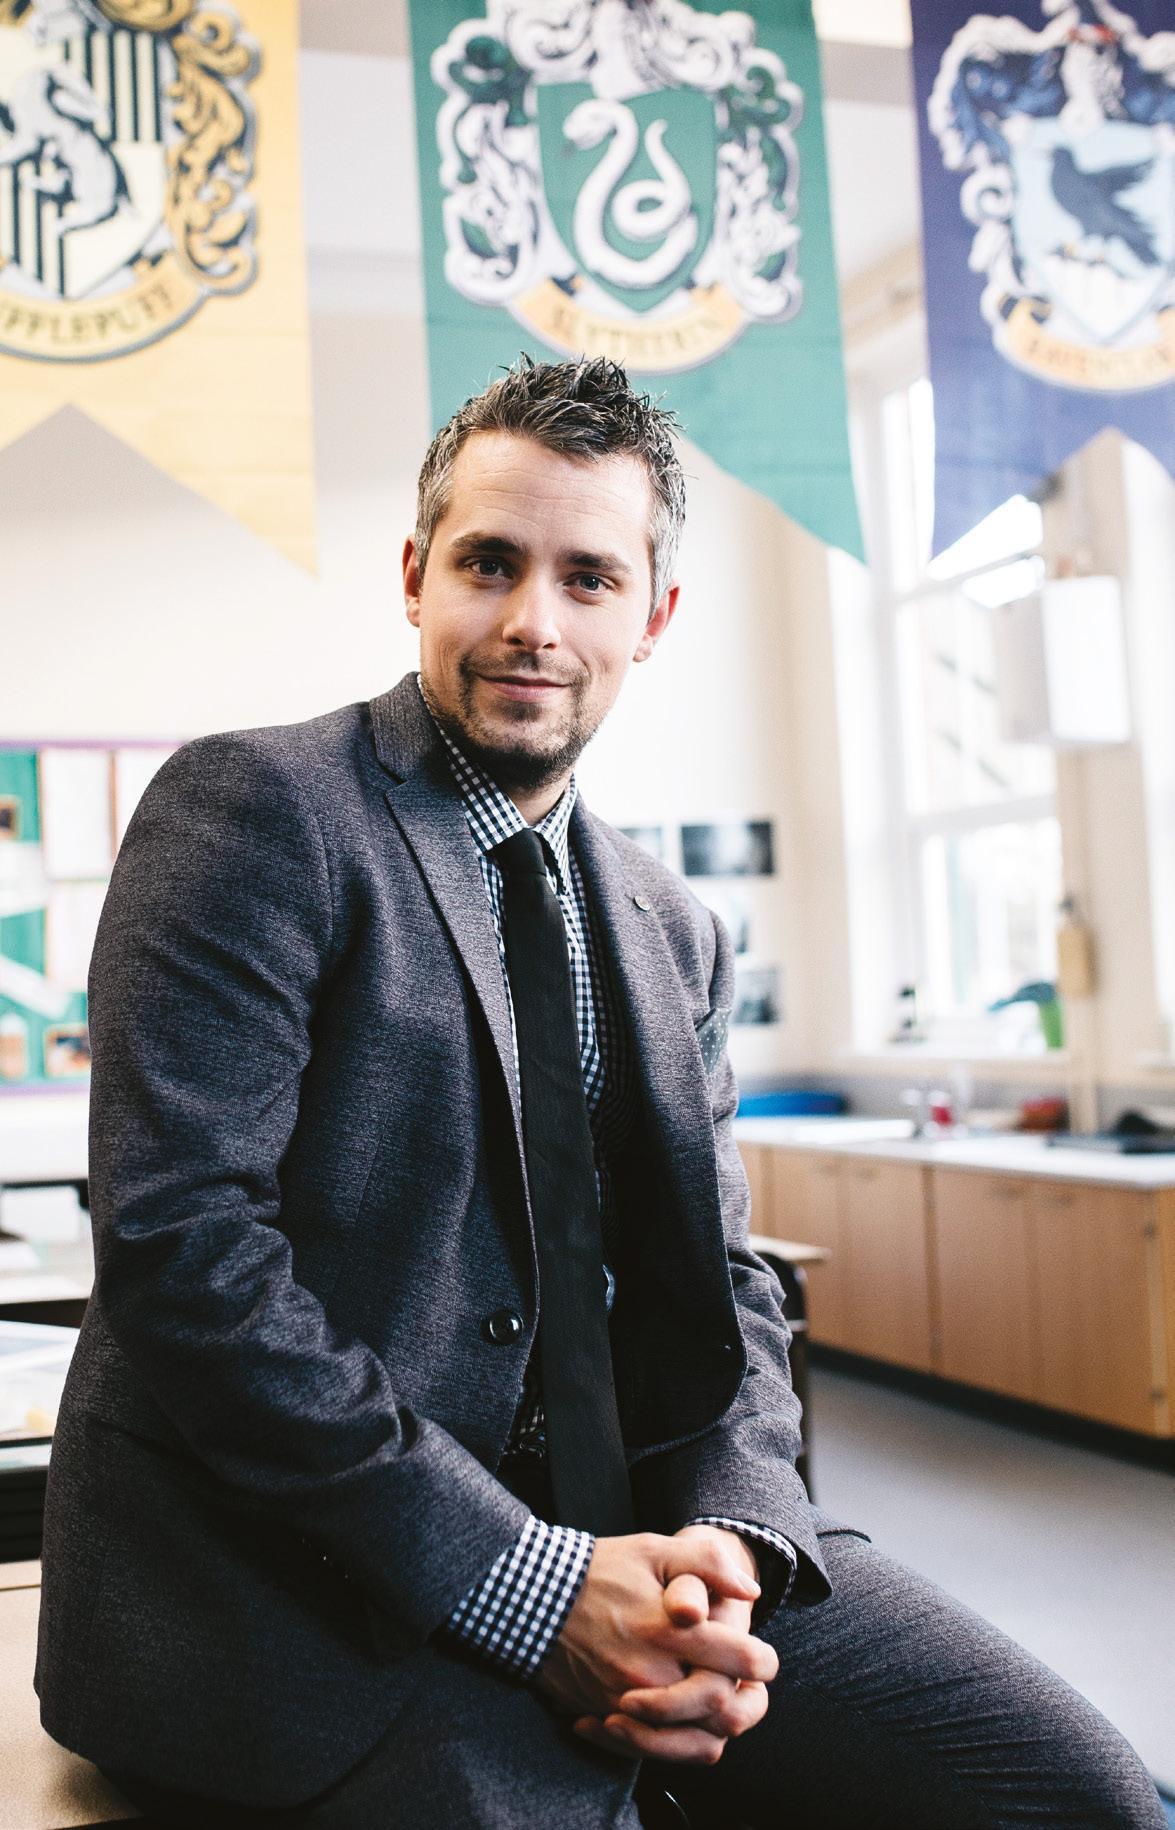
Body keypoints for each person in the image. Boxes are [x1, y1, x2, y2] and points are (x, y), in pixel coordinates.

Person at [36, 357, 1163, 1830]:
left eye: (589, 577)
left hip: (642, 1535)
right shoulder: (258, 812)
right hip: (309, 1583)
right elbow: (188, 1256)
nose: (534, 621)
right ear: (415, 575)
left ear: (655, 616)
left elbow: (731, 1284)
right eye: (489, 563)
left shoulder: (671, 926)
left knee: (1088, 1796)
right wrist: (533, 1585)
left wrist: (733, 1544)